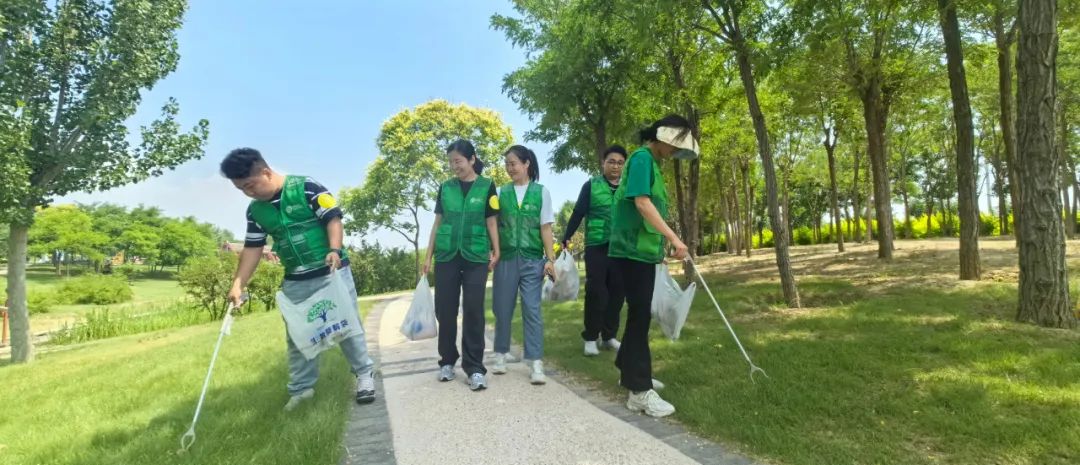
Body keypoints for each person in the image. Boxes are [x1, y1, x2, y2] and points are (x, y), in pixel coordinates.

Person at [221, 148, 375, 411]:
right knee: (298, 334)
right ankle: (302, 389)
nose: (248, 193)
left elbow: (333, 219)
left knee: (347, 324)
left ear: (266, 172)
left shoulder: (307, 187)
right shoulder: (256, 212)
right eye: (241, 189)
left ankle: (364, 375)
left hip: (331, 271)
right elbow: (253, 248)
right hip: (295, 278)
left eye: (250, 185)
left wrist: (334, 250)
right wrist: (238, 284)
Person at [609, 115, 698, 418]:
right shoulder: (643, 159)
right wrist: (674, 238)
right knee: (638, 320)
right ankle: (639, 390)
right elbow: (641, 204)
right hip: (630, 253)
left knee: (638, 317)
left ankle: (629, 371)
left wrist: (660, 248)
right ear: (662, 136)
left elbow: (648, 214)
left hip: (642, 253)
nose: (675, 152)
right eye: (674, 144)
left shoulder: (653, 165)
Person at [421, 140, 501, 391]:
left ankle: (475, 367)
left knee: (474, 310)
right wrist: (428, 256)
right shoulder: (445, 188)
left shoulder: (488, 186)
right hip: (447, 254)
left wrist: (496, 250)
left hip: (476, 254)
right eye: (451, 162)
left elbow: (491, 222)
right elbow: (437, 223)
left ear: (472, 159)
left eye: (458, 161)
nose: (454, 166)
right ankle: (446, 361)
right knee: (445, 309)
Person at [491, 145, 557, 385]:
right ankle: (500, 354)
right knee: (503, 308)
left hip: (532, 260)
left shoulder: (542, 192)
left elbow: (546, 228)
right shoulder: (500, 193)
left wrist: (550, 259)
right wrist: (494, 252)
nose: (509, 169)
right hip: (506, 259)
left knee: (532, 310)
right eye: (507, 164)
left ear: (526, 163)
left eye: (513, 163)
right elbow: (494, 227)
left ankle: (535, 362)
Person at [562, 145, 627, 357]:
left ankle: (609, 336)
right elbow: (579, 212)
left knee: (617, 293)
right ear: (603, 163)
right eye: (611, 161)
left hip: (622, 248)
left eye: (620, 162)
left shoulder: (629, 187)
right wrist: (566, 236)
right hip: (597, 247)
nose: (615, 166)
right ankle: (591, 337)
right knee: (596, 292)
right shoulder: (591, 185)